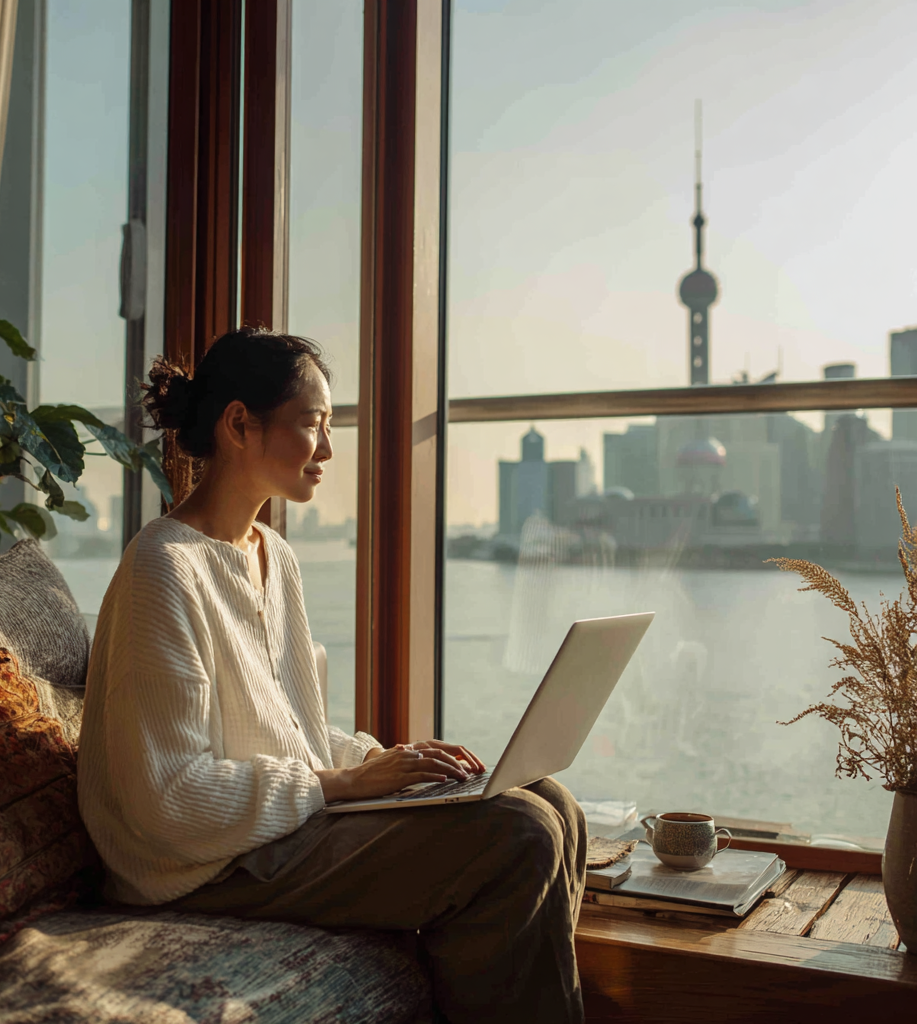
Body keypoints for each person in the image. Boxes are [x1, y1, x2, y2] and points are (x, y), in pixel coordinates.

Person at [77, 327, 589, 1024]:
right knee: (519, 835)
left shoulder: (274, 556)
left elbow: (293, 732)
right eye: (312, 424)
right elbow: (167, 802)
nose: (326, 450)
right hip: (200, 869)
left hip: (271, 829)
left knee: (550, 801)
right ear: (238, 424)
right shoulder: (162, 569)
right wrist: (343, 785)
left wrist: (389, 764)